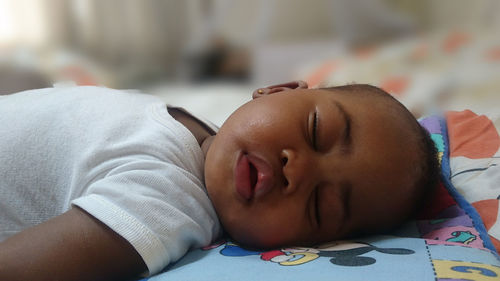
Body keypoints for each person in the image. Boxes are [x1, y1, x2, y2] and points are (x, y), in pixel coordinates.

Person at [0, 81, 440, 280]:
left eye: (320, 207)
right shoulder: (193, 130)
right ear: (278, 90)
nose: (298, 170)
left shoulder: (165, 203)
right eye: (315, 130)